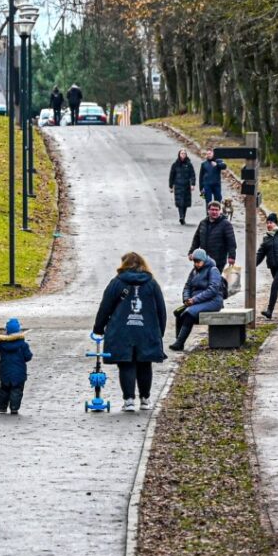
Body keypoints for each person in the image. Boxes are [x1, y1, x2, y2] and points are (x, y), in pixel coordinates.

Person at [92, 252, 168, 412]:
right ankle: (145, 399)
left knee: (126, 364)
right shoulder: (152, 284)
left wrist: (98, 328)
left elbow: (105, 307)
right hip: (146, 330)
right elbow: (161, 309)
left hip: (122, 330)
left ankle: (129, 400)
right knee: (145, 363)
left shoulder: (116, 283)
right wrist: (159, 332)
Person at [170, 249, 225, 351]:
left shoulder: (213, 270)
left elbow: (213, 290)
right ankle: (178, 341)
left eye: (198, 262)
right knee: (179, 313)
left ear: (204, 260)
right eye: (195, 262)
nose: (196, 264)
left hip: (213, 301)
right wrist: (186, 299)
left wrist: (194, 300)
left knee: (189, 313)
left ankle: (179, 343)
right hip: (197, 301)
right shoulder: (194, 271)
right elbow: (187, 286)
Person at [0, 317, 34, 415]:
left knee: (4, 390)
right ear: (18, 330)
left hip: (5, 372)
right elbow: (28, 357)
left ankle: (2, 407)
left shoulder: (2, 344)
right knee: (17, 390)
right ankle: (14, 407)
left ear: (7, 331)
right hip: (19, 374)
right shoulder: (23, 345)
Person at [189, 199, 237, 274]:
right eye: (212, 210)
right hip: (203, 258)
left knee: (213, 279)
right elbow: (196, 239)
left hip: (218, 259)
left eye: (216, 210)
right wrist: (191, 252)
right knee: (202, 278)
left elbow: (231, 242)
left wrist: (232, 256)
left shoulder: (226, 224)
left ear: (220, 211)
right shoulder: (203, 223)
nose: (214, 212)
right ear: (208, 210)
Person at [168, 149, 195, 225]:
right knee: (180, 202)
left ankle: (183, 217)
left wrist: (193, 184)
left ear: (186, 155)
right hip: (178, 186)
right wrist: (170, 186)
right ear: (179, 154)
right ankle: (181, 217)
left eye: (184, 153)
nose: (183, 155)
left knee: (185, 203)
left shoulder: (189, 164)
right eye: (182, 153)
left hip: (186, 186)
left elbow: (192, 175)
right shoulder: (175, 165)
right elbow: (172, 176)